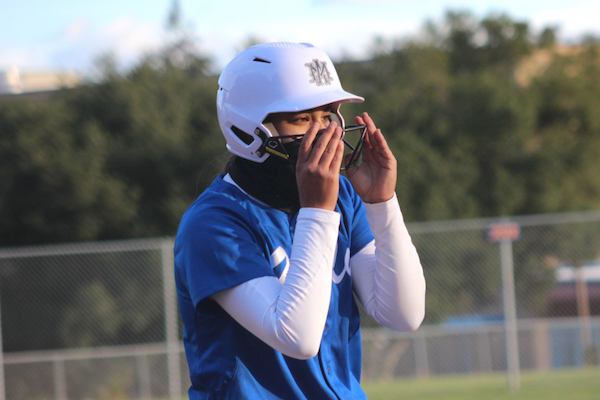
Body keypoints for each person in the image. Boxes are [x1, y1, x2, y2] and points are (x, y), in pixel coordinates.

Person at [174, 42, 426, 400]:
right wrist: (318, 212)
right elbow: (298, 337)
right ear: (249, 129)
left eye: (327, 115)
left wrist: (382, 204)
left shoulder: (342, 195)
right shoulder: (214, 223)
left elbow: (403, 313)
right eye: (302, 118)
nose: (323, 131)